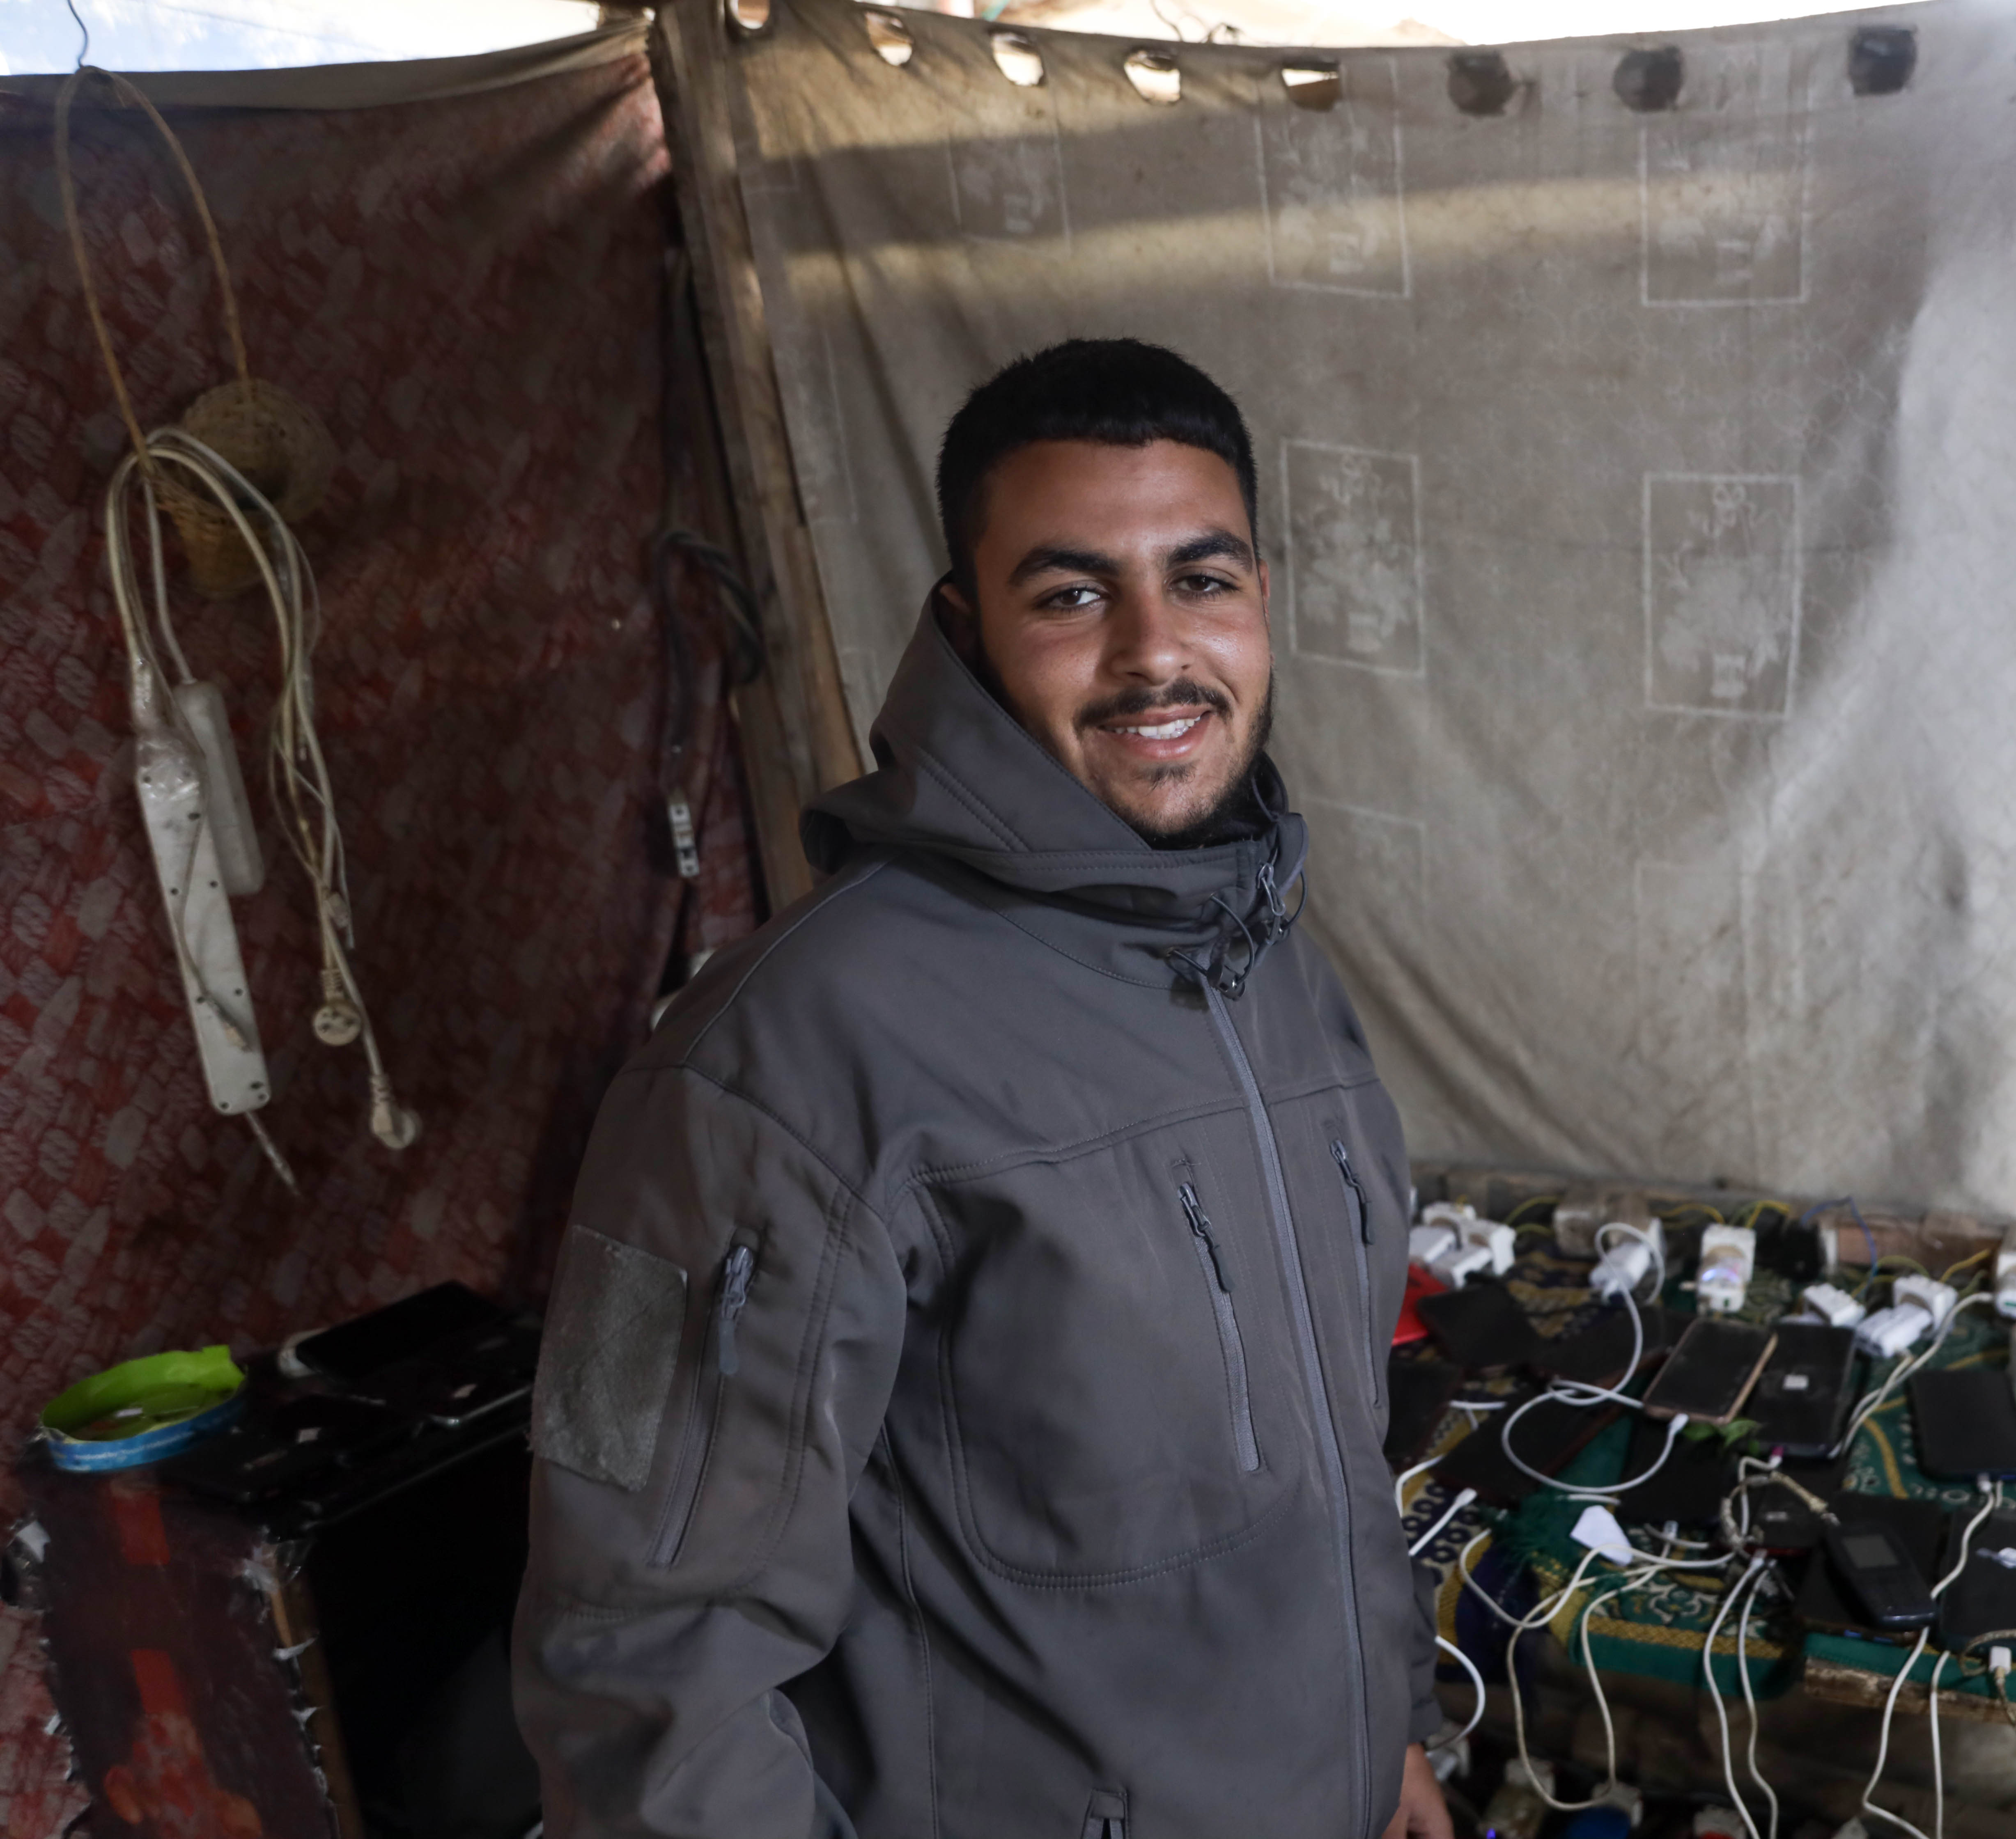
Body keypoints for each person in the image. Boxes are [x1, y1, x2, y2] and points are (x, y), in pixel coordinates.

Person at [513, 340, 1453, 1839]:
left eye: (1201, 579)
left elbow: (1336, 1443)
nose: (1156, 651)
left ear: (1261, 597)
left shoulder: (1266, 958)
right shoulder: (770, 1058)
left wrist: (1382, 1729)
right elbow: (636, 1654)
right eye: (1073, 594)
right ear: (965, 627)